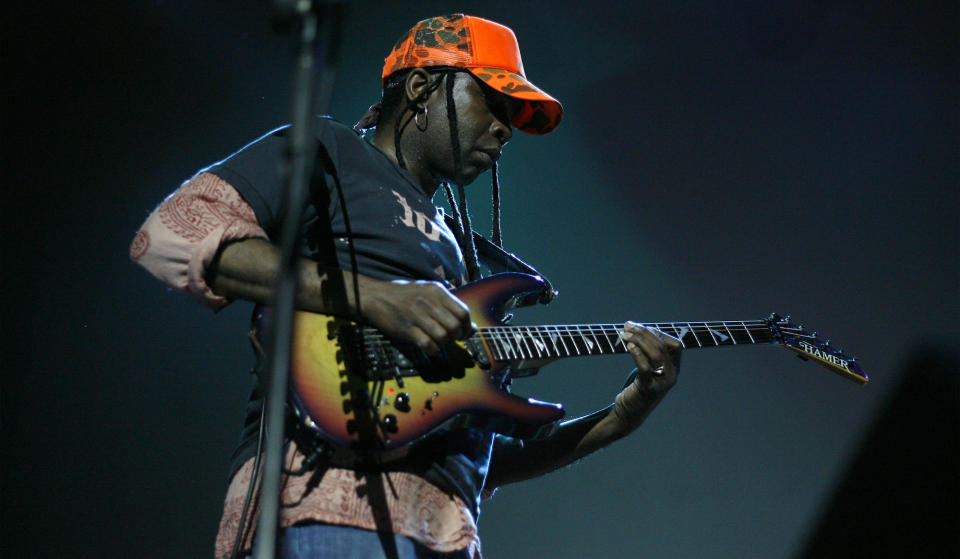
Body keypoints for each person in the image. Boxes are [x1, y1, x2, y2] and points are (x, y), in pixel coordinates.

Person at [130, 14, 682, 559]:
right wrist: (376, 298)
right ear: (421, 88)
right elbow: (170, 235)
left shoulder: (464, 255)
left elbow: (481, 454)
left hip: (443, 531)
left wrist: (623, 415)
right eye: (493, 103)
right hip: (326, 505)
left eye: (513, 116)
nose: (505, 129)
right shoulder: (335, 152)